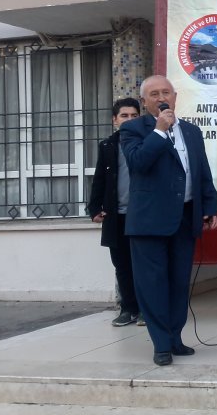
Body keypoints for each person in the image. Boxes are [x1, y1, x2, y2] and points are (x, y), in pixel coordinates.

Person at [120, 75, 217, 366]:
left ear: (175, 97)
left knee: (178, 283)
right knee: (152, 284)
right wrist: (160, 131)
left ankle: (175, 338)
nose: (161, 97)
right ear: (144, 101)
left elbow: (201, 171)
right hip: (149, 221)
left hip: (184, 217)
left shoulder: (191, 131)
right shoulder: (132, 129)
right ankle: (161, 344)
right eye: (154, 94)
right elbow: (138, 162)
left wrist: (209, 206)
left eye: (166, 92)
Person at [87, 97, 144, 327]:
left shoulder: (148, 143)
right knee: (122, 265)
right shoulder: (108, 146)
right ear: (114, 120)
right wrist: (94, 208)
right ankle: (128, 309)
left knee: (144, 265)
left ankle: (146, 310)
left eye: (134, 116)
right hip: (116, 216)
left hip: (142, 216)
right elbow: (99, 179)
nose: (129, 120)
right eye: (124, 116)